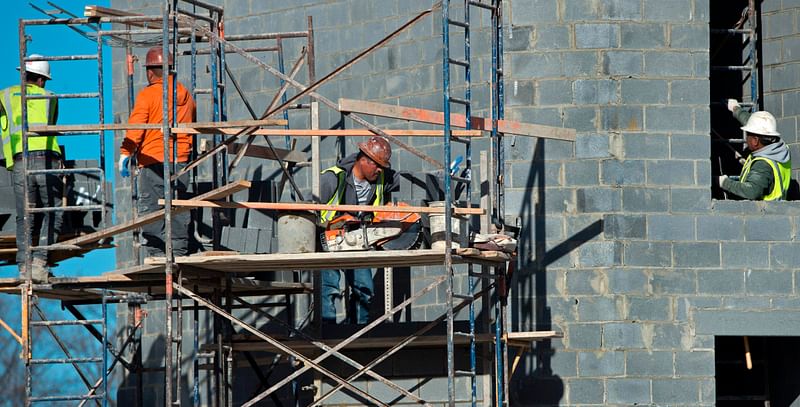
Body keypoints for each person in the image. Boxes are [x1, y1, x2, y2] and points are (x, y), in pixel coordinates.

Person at [120, 46, 196, 257]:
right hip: (180, 160)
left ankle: (157, 253)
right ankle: (179, 251)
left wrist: (125, 152)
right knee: (177, 206)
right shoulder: (186, 95)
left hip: (153, 160)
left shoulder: (148, 94)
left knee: (152, 209)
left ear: (151, 71)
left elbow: (137, 126)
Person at [319, 136, 398, 324]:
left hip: (357, 244)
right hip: (329, 242)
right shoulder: (333, 178)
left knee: (364, 289)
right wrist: (338, 220)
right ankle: (328, 334)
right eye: (377, 165)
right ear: (363, 160)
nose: (380, 170)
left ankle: (356, 332)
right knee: (328, 288)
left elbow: (410, 179)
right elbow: (307, 206)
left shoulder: (380, 179)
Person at [0, 54, 61, 283]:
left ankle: (24, 266)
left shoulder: (6, 96)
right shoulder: (50, 98)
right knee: (51, 211)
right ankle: (39, 262)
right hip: (46, 159)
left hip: (20, 161)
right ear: (43, 80)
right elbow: (52, 122)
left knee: (24, 214)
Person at [719, 100, 791, 200]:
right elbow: (756, 124)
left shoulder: (762, 165)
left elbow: (751, 191)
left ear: (755, 141)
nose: (746, 138)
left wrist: (724, 182)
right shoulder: (780, 147)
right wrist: (736, 109)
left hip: (763, 213)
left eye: (747, 135)